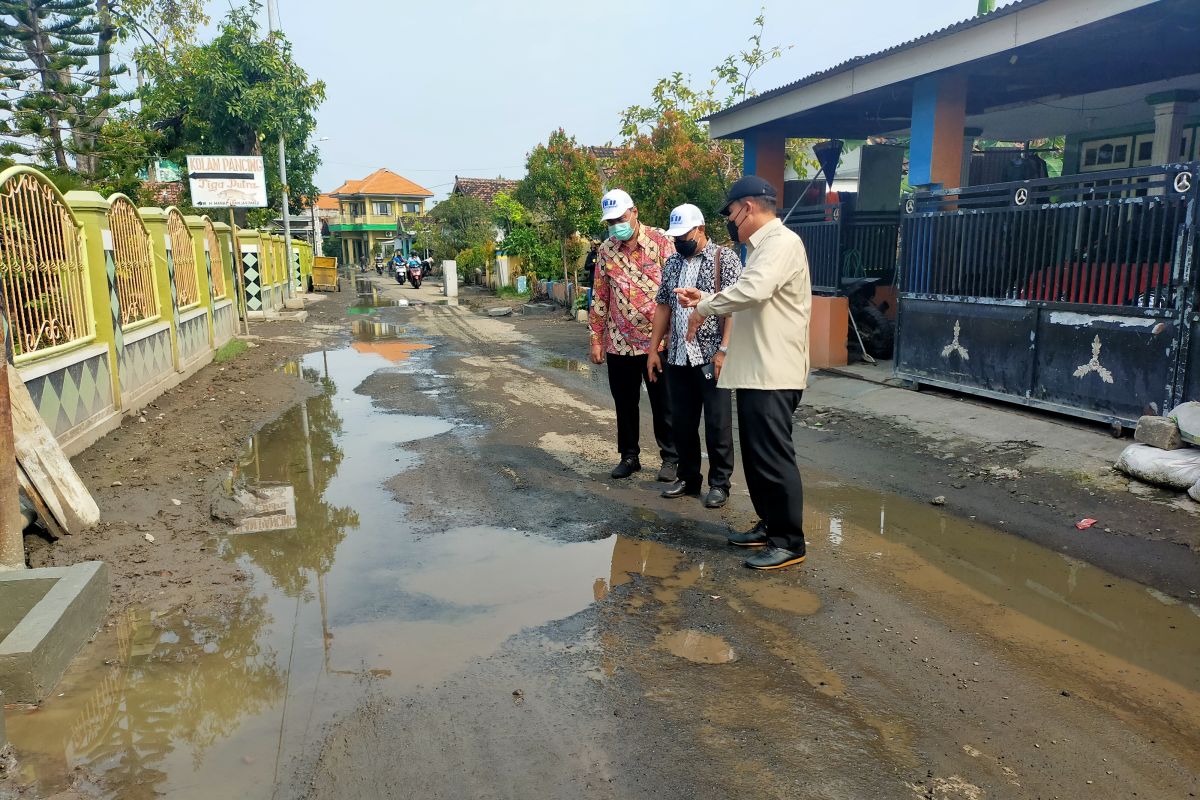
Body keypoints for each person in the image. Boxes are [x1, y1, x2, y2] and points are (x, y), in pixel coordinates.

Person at [675, 176, 812, 571]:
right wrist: (708, 298)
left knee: (772, 457)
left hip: (774, 372)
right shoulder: (763, 248)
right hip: (756, 371)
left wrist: (704, 309)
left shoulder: (781, 243)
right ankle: (770, 526)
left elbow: (752, 291)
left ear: (747, 207)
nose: (730, 221)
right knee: (756, 457)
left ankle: (789, 541)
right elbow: (751, 293)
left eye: (731, 213)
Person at [647, 203, 741, 509]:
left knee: (717, 424)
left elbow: (732, 307)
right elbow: (663, 305)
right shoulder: (672, 263)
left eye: (683, 234)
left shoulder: (723, 258)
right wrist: (653, 349)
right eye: (674, 236)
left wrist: (724, 350)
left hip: (710, 354)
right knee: (683, 423)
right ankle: (688, 478)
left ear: (700, 229)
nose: (678, 240)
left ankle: (719, 484)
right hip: (677, 356)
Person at [589, 188, 678, 481]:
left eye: (619, 218)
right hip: (619, 341)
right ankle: (629, 457)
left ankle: (670, 459)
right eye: (610, 221)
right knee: (625, 403)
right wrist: (596, 339)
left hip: (658, 342)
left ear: (634, 212)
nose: (616, 225)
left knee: (663, 403)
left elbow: (676, 292)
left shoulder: (662, 242)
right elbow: (600, 296)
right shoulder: (605, 250)